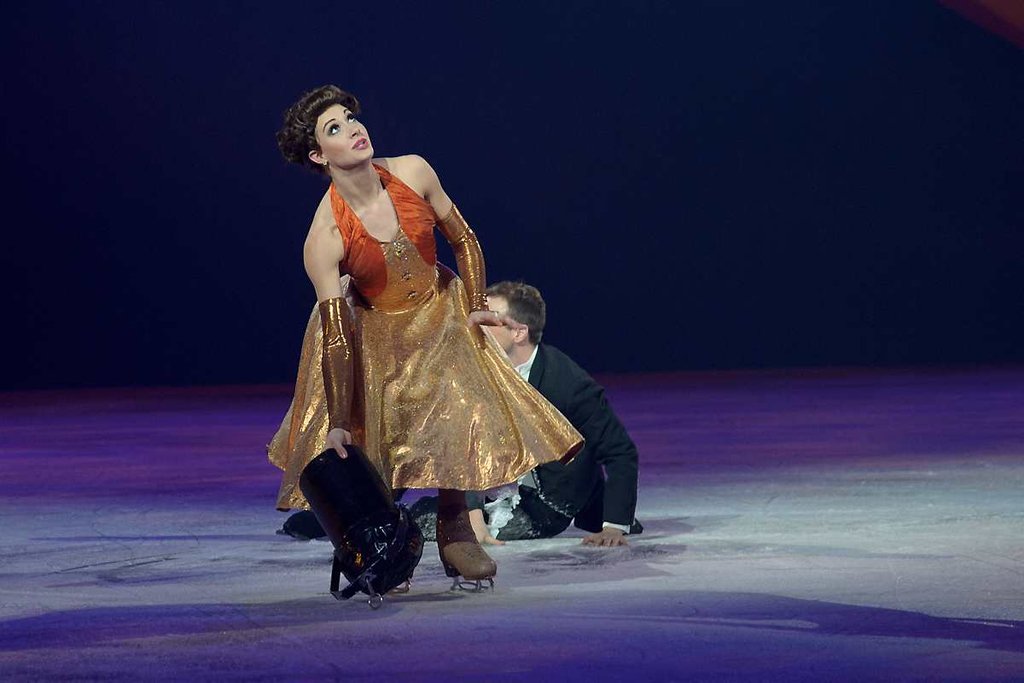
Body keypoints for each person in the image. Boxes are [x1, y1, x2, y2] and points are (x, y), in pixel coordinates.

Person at [267, 86, 582, 587]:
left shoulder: (413, 171)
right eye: (334, 128)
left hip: (440, 308)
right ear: (318, 155)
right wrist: (340, 420)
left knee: (459, 406)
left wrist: (475, 305)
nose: (353, 129)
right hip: (375, 330)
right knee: (380, 432)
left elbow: (464, 239)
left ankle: (456, 527)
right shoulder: (324, 236)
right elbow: (337, 336)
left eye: (350, 117)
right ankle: (390, 538)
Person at [410, 281, 642, 548]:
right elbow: (466, 447)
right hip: (497, 489)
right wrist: (472, 513)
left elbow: (619, 452)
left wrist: (613, 527)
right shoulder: (477, 372)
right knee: (416, 519)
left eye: (488, 320)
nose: (474, 326)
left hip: (547, 502)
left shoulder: (567, 384)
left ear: (519, 332)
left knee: (433, 528)